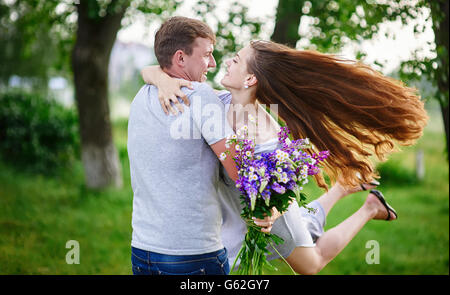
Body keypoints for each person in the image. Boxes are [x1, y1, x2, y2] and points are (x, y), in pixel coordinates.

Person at [141, 39, 428, 274]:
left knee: (311, 263)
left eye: (237, 60)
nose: (227, 61)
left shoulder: (265, 136)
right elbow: (154, 69)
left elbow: (282, 188)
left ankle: (370, 207)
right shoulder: (217, 102)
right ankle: (343, 187)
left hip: (270, 211)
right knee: (303, 224)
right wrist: (160, 80)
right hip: (238, 217)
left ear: (250, 78)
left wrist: (275, 211)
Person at [127, 17, 273, 276]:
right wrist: (271, 205)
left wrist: (158, 77)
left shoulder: (141, 96)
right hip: (191, 255)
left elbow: (150, 71)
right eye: (207, 54)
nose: (214, 63)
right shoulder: (200, 97)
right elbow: (239, 171)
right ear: (181, 58)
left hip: (142, 250)